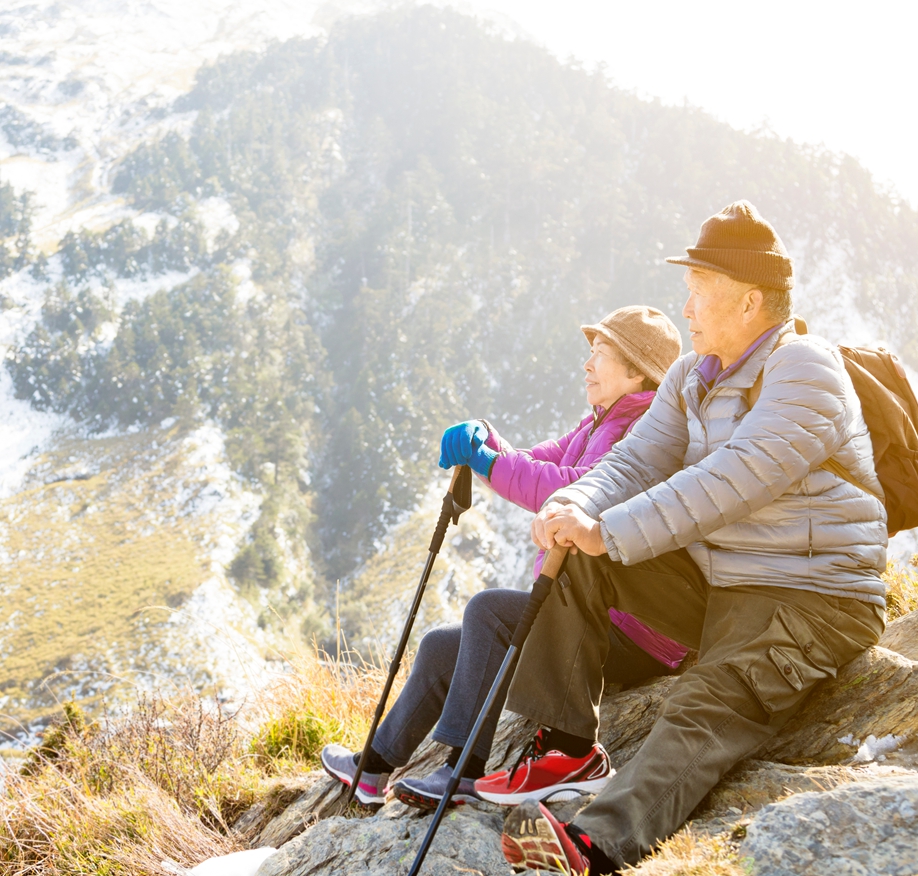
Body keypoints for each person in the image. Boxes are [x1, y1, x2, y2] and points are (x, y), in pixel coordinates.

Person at [478, 201, 887, 875]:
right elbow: (635, 462)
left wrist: (608, 529)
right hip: (720, 584)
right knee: (577, 547)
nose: (687, 309)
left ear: (751, 300)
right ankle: (566, 746)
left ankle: (595, 845)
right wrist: (573, 504)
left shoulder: (805, 369)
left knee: (710, 699)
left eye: (699, 293)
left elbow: (732, 480)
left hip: (811, 596)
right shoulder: (690, 375)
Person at [320, 305, 685, 808]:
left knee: (488, 613)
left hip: (627, 627)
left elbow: (572, 487)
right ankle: (372, 768)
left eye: (600, 354)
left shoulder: (641, 432)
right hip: (586, 615)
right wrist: (487, 442)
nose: (586, 364)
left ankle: (463, 772)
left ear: (638, 372)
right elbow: (536, 462)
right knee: (441, 645)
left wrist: (490, 461)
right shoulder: (600, 422)